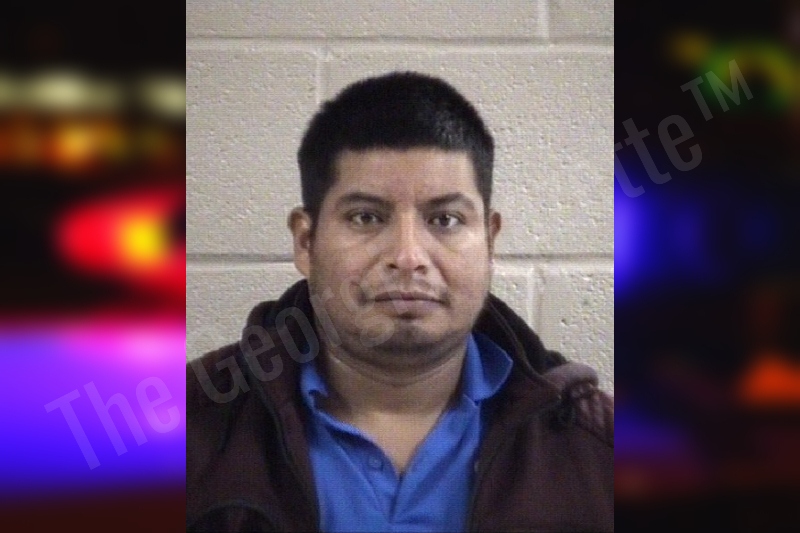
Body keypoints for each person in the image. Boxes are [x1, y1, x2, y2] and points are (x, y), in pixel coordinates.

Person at [186, 71, 613, 532]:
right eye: (366, 217)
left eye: (445, 219)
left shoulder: (597, 446)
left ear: (490, 240)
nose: (408, 257)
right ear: (306, 242)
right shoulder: (185, 428)